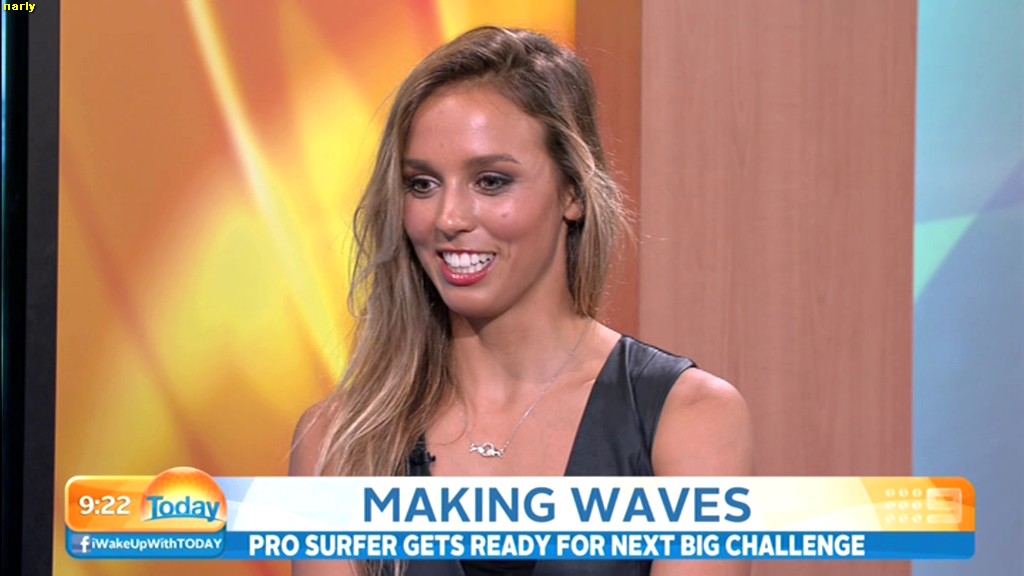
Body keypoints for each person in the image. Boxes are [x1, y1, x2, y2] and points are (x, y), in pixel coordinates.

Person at [291, 26, 753, 576]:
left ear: (573, 192)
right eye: (422, 184)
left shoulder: (687, 418)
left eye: (490, 181)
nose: (448, 218)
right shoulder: (339, 441)